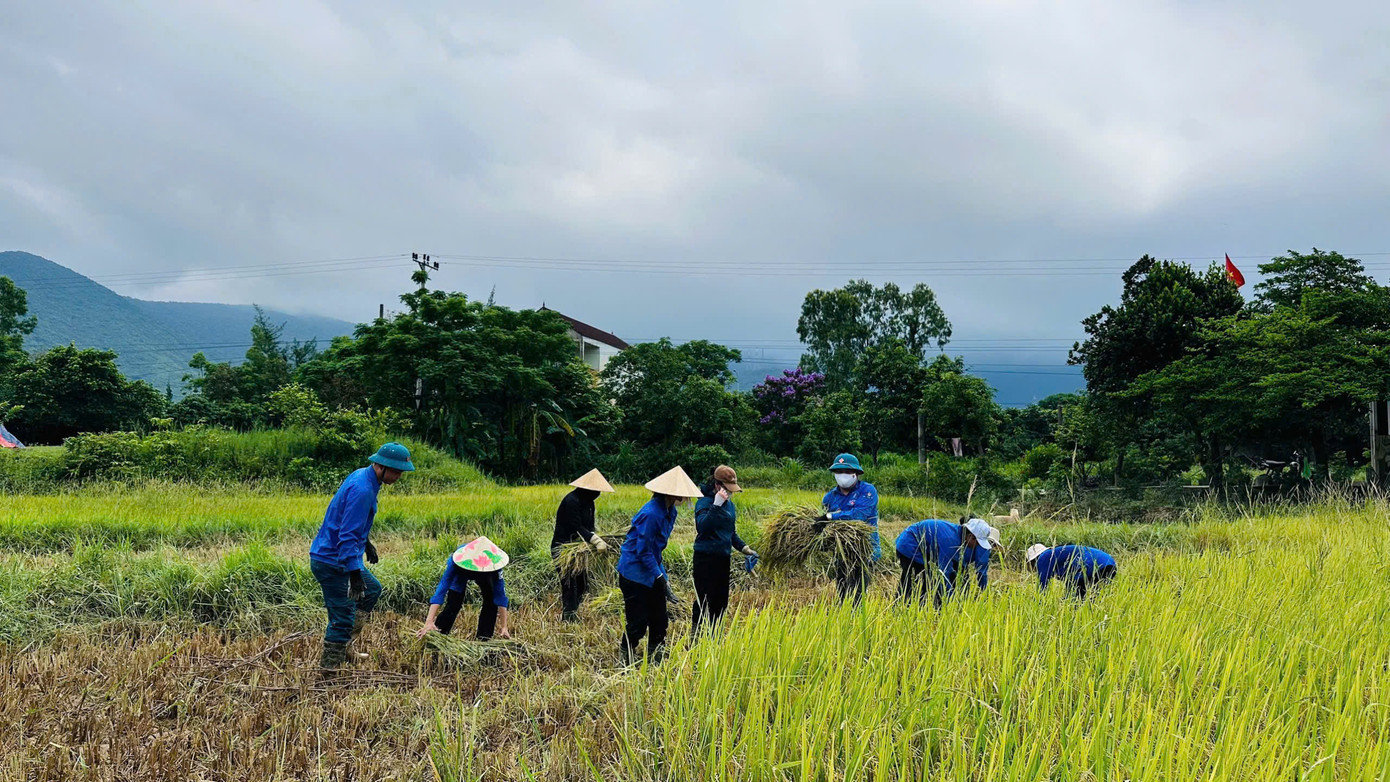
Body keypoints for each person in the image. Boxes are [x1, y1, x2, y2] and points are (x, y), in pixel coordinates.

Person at [309, 442, 413, 669]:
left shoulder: (364, 477)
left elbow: (349, 521)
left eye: (401, 472)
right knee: (342, 616)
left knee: (371, 589)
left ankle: (346, 645)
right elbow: (347, 536)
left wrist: (366, 544)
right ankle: (329, 670)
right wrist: (354, 574)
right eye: (395, 471)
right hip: (333, 561)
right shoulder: (363, 490)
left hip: (339, 556)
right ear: (380, 466)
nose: (398, 476)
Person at [616, 465, 702, 664]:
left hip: (651, 567)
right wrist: (659, 576)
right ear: (671, 492)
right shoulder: (652, 513)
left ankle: (656, 654)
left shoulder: (670, 511)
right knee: (637, 621)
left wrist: (664, 578)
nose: (685, 497)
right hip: (634, 573)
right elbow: (643, 550)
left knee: (660, 618)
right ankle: (625, 653)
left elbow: (656, 550)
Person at [691, 465, 758, 635]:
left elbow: (731, 533)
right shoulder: (704, 503)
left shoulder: (730, 506)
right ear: (717, 485)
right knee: (704, 599)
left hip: (723, 558)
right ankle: (696, 636)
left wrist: (744, 548)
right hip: (705, 558)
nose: (730, 493)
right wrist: (716, 505)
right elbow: (703, 527)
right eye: (728, 489)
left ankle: (715, 636)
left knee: (720, 601)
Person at [416, 536, 513, 640]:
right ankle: (438, 633)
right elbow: (442, 589)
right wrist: (429, 621)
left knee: (491, 601)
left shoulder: (494, 567)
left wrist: (504, 627)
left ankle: (484, 638)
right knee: (454, 603)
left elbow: (500, 596)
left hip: (486, 574)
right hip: (462, 573)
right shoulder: (457, 562)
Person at [551, 468, 616, 622]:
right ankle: (568, 619)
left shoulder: (589, 503)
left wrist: (597, 537)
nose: (598, 493)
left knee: (583, 583)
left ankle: (573, 612)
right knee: (569, 584)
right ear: (587, 489)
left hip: (579, 549)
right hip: (563, 548)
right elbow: (576, 527)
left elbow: (589, 527)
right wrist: (595, 540)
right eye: (596, 490)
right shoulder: (571, 501)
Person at [894, 517, 999, 607]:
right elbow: (943, 573)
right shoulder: (950, 540)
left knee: (928, 583)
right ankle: (900, 608)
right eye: (978, 543)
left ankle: (925, 608)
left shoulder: (959, 538)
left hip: (923, 548)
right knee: (917, 581)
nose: (977, 546)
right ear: (970, 536)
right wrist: (951, 600)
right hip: (909, 546)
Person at [819, 453, 880, 604]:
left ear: (856, 473)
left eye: (847, 472)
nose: (843, 475)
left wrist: (830, 516)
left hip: (865, 550)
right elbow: (826, 525)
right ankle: (844, 616)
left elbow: (859, 515)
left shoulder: (867, 491)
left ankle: (857, 617)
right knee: (842, 592)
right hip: (841, 551)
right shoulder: (829, 498)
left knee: (858, 594)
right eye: (839, 472)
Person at [1026, 544, 1117, 599]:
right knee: (1091, 598)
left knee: (1074, 600)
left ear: (1034, 560)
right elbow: (1069, 580)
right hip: (1110, 565)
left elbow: (1042, 586)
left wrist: (1036, 601)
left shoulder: (1044, 557)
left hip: (1093, 565)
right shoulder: (1058, 555)